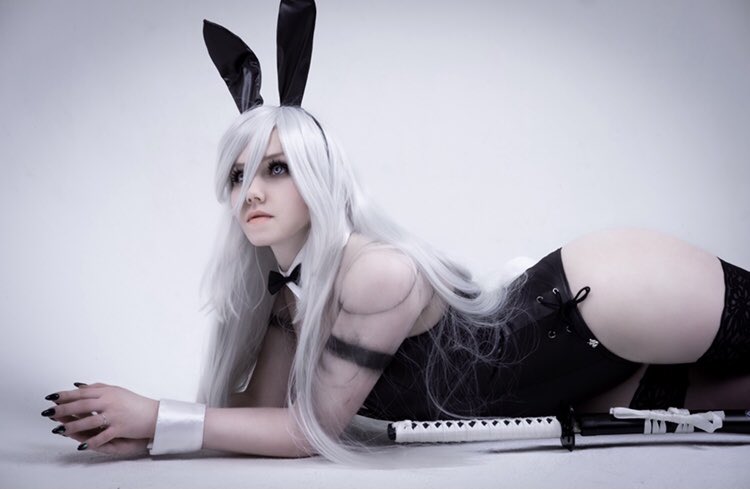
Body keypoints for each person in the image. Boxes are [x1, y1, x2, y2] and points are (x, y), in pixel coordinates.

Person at [41, 0, 749, 464]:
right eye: (237, 175)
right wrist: (150, 434)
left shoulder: (374, 273)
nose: (251, 190)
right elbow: (259, 416)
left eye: (277, 168)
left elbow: (307, 431)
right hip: (586, 382)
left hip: (607, 297)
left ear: (320, 177)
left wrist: (158, 417)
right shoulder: (294, 292)